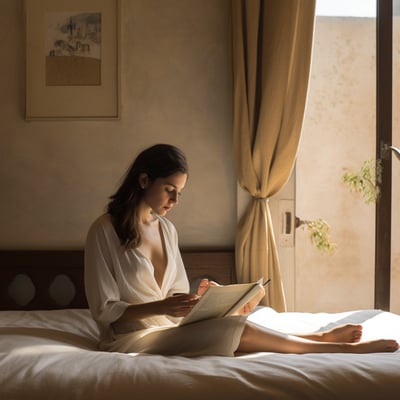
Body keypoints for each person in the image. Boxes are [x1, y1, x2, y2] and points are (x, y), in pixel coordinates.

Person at [84, 144, 399, 357]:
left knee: (228, 323)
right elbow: (104, 310)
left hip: (171, 329)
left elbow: (177, 297)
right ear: (143, 180)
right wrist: (162, 307)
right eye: (170, 190)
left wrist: (206, 300)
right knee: (230, 330)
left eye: (179, 192)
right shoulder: (104, 231)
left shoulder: (167, 230)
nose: (175, 201)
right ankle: (329, 348)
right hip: (129, 341)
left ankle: (315, 340)